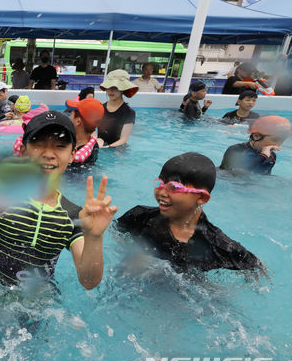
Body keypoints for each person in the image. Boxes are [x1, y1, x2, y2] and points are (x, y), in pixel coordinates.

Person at [0, 110, 117, 288]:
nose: (49, 154)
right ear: (23, 150)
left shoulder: (72, 214)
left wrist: (94, 237)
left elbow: (88, 281)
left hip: (36, 306)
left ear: (72, 155)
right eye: (39, 145)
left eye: (60, 146)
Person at [117, 153, 266, 275]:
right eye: (160, 184)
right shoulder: (139, 217)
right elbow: (117, 234)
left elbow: (257, 269)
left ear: (202, 198)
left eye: (173, 187)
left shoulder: (217, 245)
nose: (161, 192)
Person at [219, 116, 291, 175]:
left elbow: (264, 177)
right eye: (275, 140)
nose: (278, 145)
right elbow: (236, 174)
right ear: (256, 136)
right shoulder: (236, 150)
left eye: (282, 141)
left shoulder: (272, 156)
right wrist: (263, 156)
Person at [98, 70, 138, 148]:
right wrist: (96, 140)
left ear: (123, 89)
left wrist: (107, 147)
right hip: (100, 146)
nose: (111, 90)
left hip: (118, 149)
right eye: (109, 87)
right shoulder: (100, 108)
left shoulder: (129, 112)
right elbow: (91, 130)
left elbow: (123, 139)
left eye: (116, 87)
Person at [65, 97, 105, 170]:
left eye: (71, 115)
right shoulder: (94, 146)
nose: (69, 118)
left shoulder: (72, 158)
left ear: (78, 121)